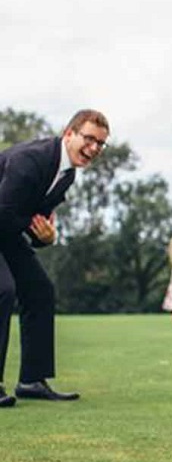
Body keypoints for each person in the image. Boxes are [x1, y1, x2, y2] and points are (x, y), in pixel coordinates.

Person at [0, 109, 110, 408]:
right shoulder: (29, 160)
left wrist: (45, 238)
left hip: (6, 230)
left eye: (101, 143)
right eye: (89, 139)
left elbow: (36, 222)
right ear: (69, 133)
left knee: (39, 290)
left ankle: (32, 381)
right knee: (3, 290)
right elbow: (5, 211)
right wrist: (34, 231)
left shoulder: (66, 174)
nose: (94, 148)